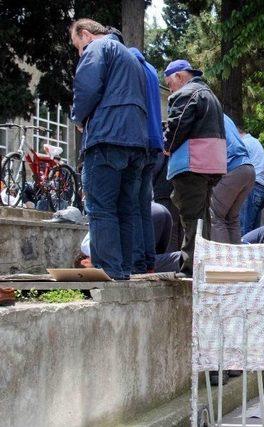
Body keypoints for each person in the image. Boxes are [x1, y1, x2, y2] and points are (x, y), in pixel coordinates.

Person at [70, 19, 148, 280]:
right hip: (136, 142)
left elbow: (87, 87)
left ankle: (107, 271)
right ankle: (123, 269)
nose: (79, 53)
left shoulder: (97, 48)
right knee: (126, 208)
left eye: (77, 46)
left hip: (107, 137)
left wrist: (78, 118)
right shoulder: (132, 59)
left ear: (85, 35)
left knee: (101, 207)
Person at [164, 59, 227, 277]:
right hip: (212, 164)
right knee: (202, 217)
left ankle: (191, 267)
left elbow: (177, 125)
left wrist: (166, 147)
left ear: (180, 76)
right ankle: (203, 264)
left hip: (192, 163)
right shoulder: (210, 95)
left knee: (190, 216)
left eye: (170, 83)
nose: (170, 88)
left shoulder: (186, 93)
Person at [129, 47, 164, 275]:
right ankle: (148, 262)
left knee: (131, 205)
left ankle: (137, 263)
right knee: (142, 206)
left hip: (137, 141)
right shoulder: (151, 69)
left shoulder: (128, 64)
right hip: (153, 144)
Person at [79, 202, 181, 274]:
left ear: (85, 262)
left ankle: (185, 259)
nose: (97, 273)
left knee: (137, 266)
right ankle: (185, 260)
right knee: (152, 266)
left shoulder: (88, 248)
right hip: (156, 212)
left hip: (147, 217)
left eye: (90, 273)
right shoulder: (90, 245)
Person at [209, 115, 255, 244]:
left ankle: (223, 262)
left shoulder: (207, 112)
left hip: (232, 167)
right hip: (248, 168)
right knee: (231, 218)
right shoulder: (225, 117)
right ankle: (236, 261)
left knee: (215, 215)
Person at [238, 128, 264, 235]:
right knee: (254, 234)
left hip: (251, 188)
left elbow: (237, 167)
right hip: (261, 188)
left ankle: (242, 252)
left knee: (244, 230)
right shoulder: (255, 142)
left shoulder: (243, 143)